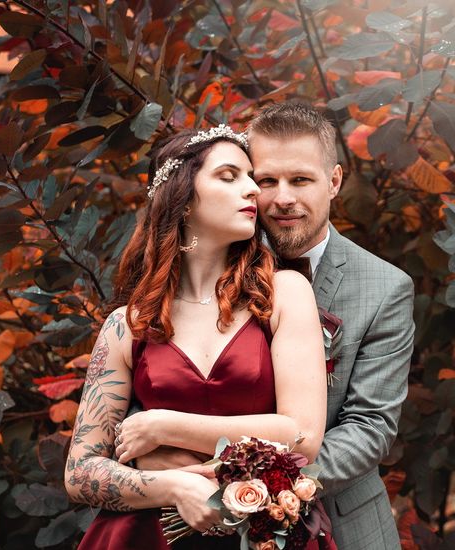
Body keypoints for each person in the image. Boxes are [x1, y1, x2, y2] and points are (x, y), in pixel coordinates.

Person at [138, 102, 416, 549]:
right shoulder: (207, 259)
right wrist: (161, 461)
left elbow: (369, 426)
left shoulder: (385, 288)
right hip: (187, 516)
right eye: (267, 180)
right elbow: (149, 376)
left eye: (301, 180)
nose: (282, 198)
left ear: (334, 181)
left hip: (341, 524)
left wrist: (245, 484)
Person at [64, 125, 329, 550]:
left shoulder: (284, 294)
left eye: (250, 178)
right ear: (183, 199)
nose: (252, 191)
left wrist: (162, 425)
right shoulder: (127, 324)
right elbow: (80, 473)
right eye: (229, 176)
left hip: (261, 533)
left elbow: (301, 435)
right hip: (146, 536)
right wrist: (173, 488)